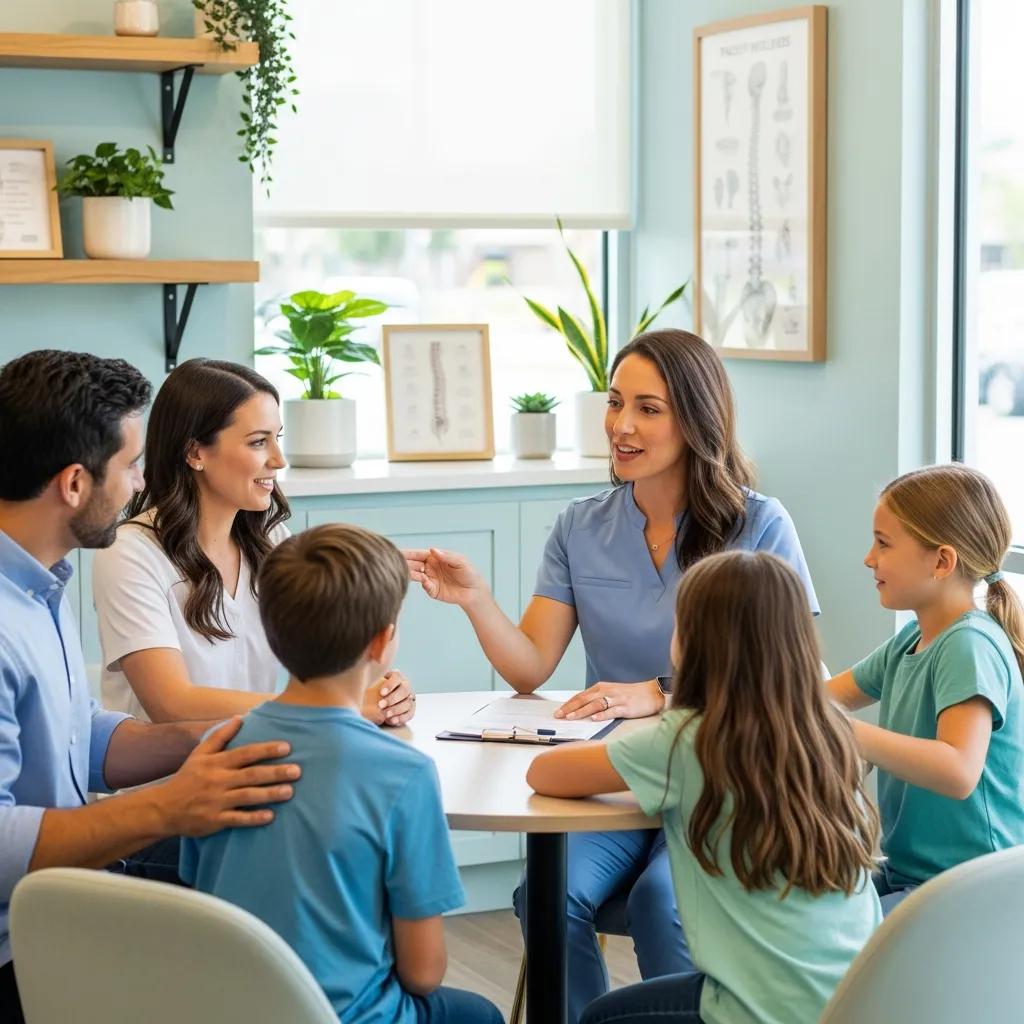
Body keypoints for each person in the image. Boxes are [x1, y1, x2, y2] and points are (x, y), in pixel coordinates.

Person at [406, 329, 819, 1021]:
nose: (622, 427)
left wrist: (658, 692)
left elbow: (793, 668)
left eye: (649, 409)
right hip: (620, 772)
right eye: (615, 402)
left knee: (666, 901)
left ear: (695, 418)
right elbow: (532, 663)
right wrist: (475, 599)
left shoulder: (760, 523)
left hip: (720, 775)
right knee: (546, 894)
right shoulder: (580, 525)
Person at [0, 350, 300, 1024]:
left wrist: (217, 741)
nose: (141, 486)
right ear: (76, 483)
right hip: (25, 951)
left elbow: (86, 738)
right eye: (132, 467)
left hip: (64, 909)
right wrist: (171, 807)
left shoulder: (37, 588)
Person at [530, 551, 882, 1024]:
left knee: (598, 1019)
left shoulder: (692, 738)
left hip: (758, 1012)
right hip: (856, 999)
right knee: (609, 1012)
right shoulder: (829, 732)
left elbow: (544, 773)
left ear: (694, 643)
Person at [181, 524, 504, 1024]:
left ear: (272, 631)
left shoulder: (216, 749)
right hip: (348, 1017)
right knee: (478, 1013)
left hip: (230, 1009)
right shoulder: (405, 774)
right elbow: (423, 973)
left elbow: (200, 897)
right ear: (382, 641)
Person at [92, 358, 414, 728]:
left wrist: (383, 692)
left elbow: (327, 665)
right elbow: (172, 704)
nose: (278, 460)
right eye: (258, 442)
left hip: (255, 767)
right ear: (196, 452)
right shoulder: (129, 553)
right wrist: (341, 706)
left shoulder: (270, 541)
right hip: (166, 780)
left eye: (277, 438)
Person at [827, 464, 1024, 913]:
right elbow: (824, 696)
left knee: (826, 943)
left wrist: (846, 732)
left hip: (972, 891)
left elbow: (957, 770)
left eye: (883, 543)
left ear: (941, 561)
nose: (868, 558)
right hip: (912, 874)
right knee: (805, 909)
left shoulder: (968, 645)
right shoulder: (911, 640)